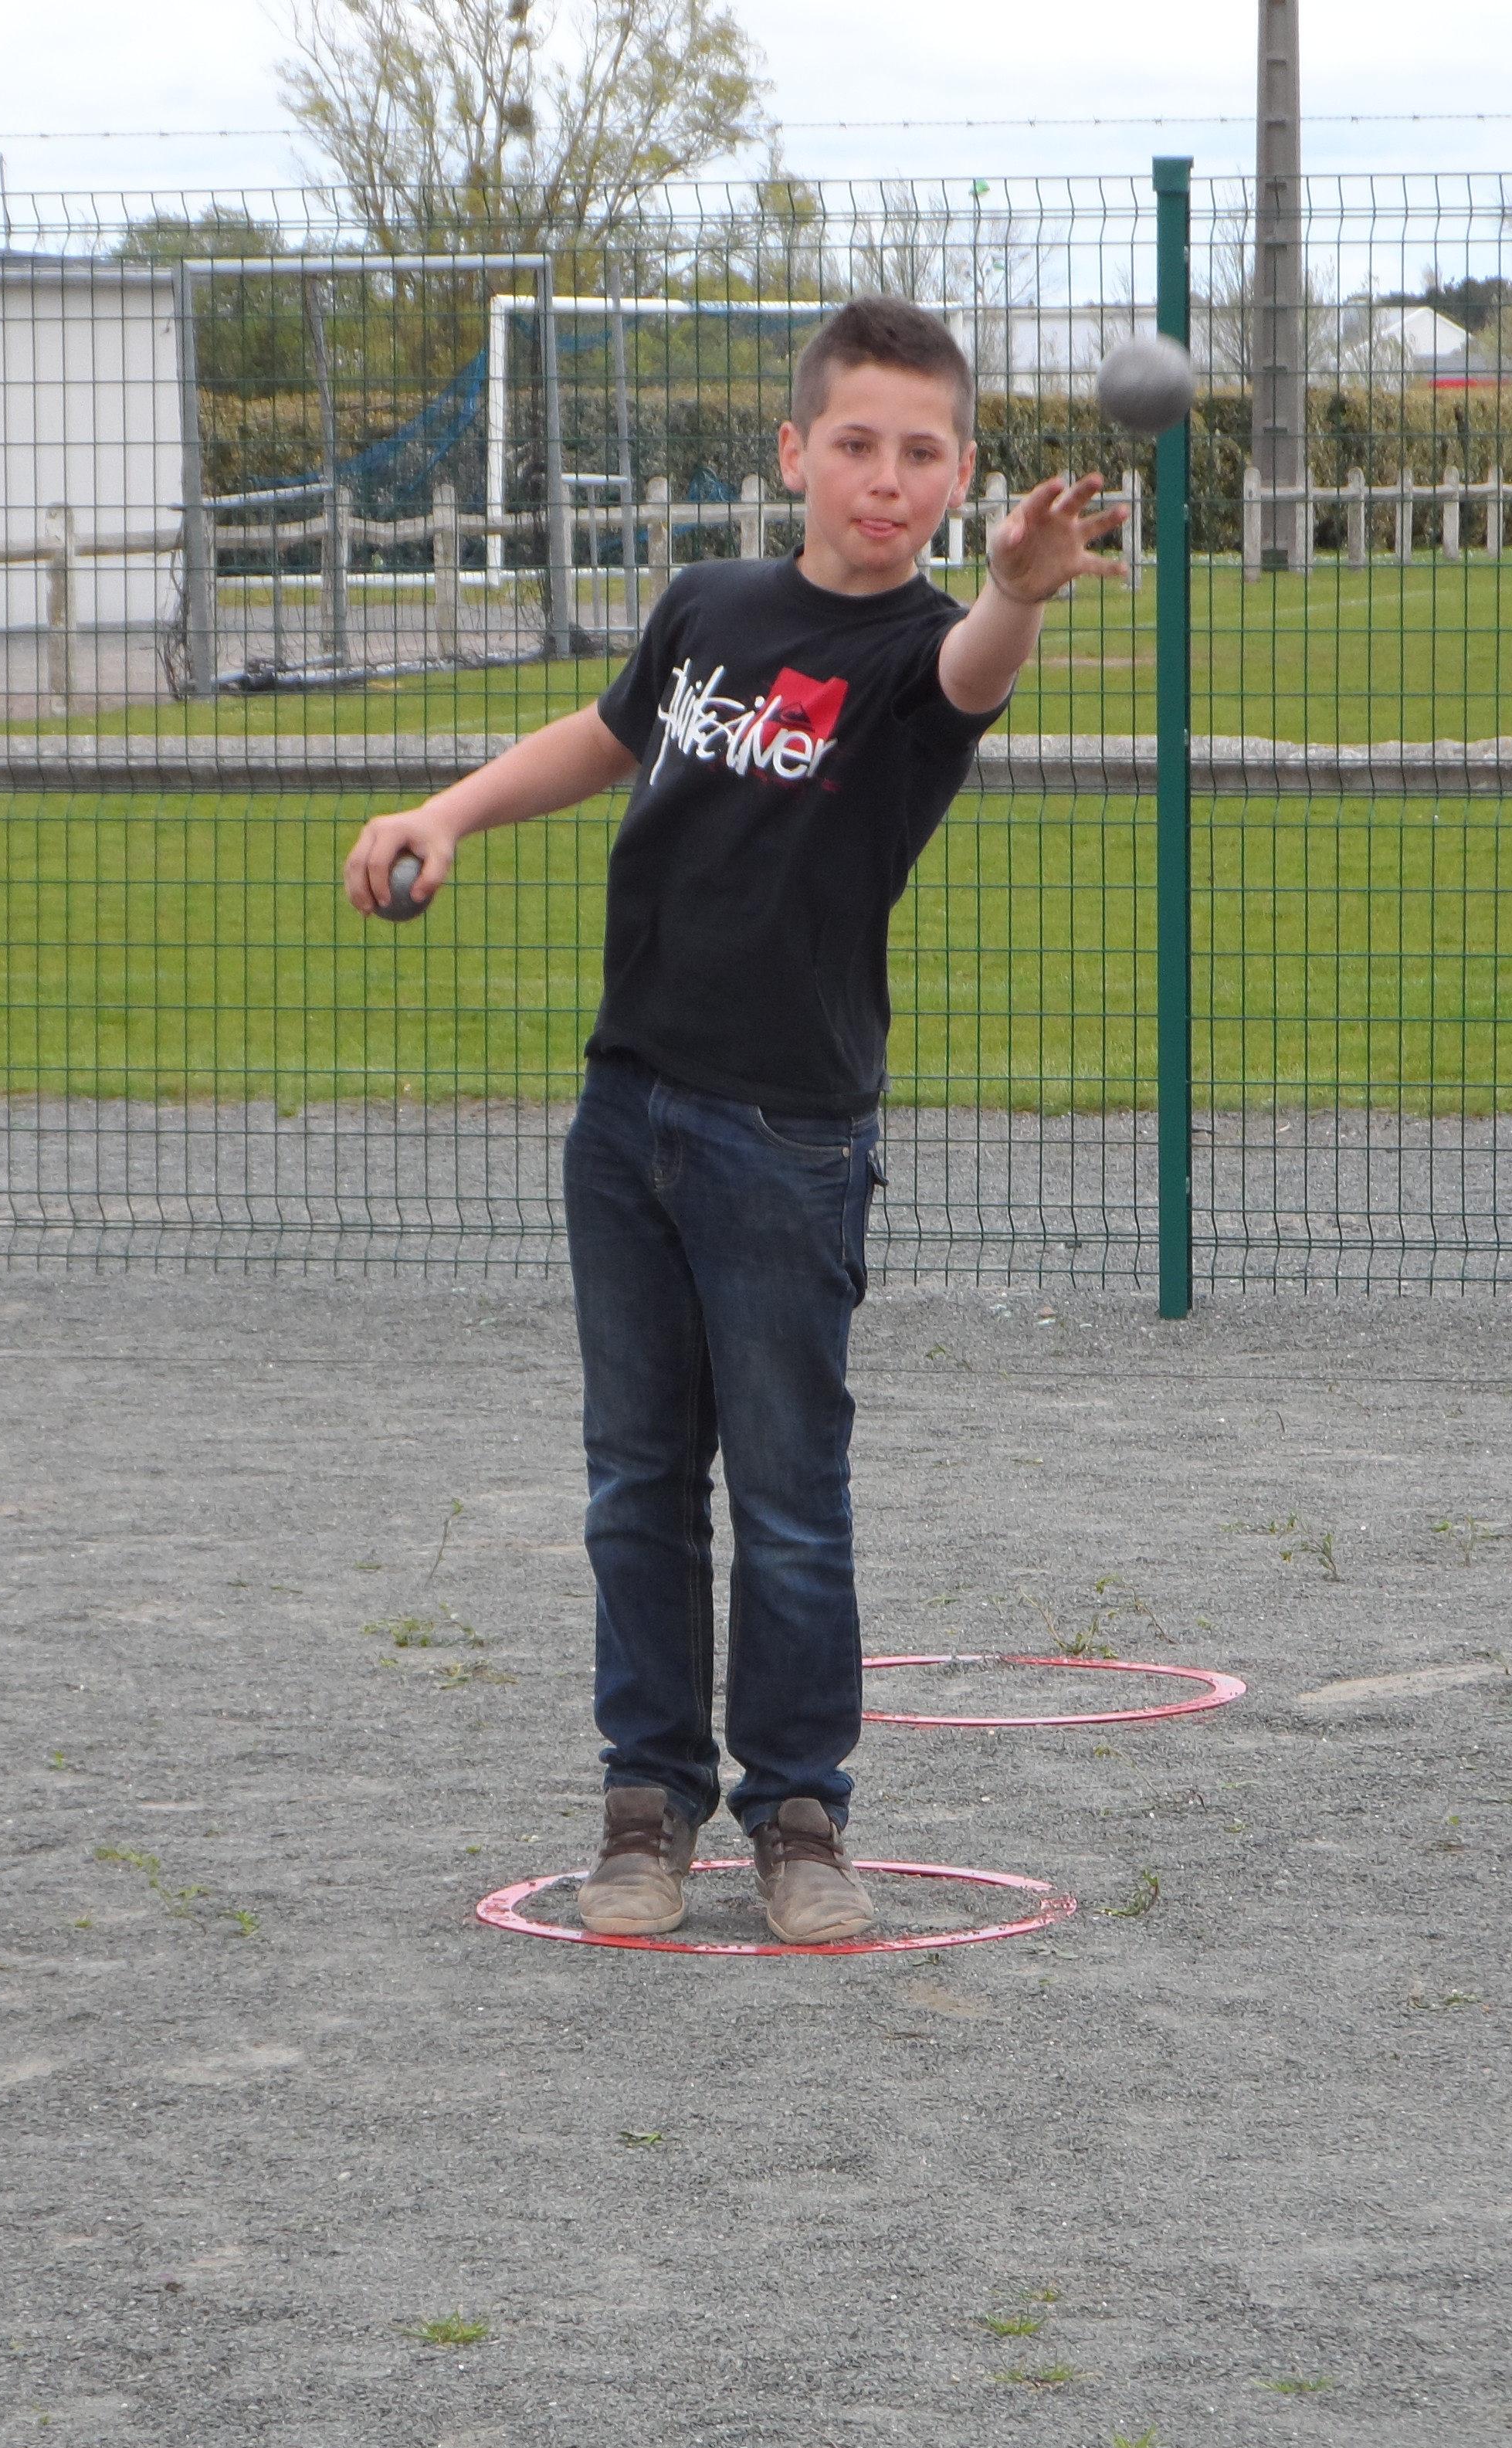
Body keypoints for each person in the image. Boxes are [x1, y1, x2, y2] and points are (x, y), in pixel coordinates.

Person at [338, 299, 1131, 1938]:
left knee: (784, 1491)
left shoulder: (920, 659)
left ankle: (800, 1818)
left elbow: (981, 660)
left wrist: (1013, 589)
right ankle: (647, 1812)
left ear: (959, 473)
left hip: (789, 1142)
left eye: (922, 453)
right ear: (794, 453)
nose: (886, 479)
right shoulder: (709, 608)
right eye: (856, 443)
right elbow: (610, 736)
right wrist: (451, 809)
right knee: (636, 1479)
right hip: (629, 1116)